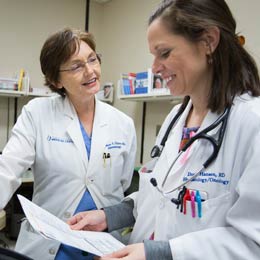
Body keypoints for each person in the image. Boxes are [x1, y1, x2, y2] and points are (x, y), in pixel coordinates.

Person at [68, 0, 260, 259]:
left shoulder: (251, 123)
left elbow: (252, 242)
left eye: (165, 53)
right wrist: (108, 216)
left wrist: (161, 253)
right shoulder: (176, 118)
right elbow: (158, 196)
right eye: (154, 56)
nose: (155, 67)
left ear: (209, 41)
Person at [0, 27, 136, 260]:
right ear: (56, 79)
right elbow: (8, 169)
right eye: (76, 66)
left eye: (92, 59)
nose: (90, 71)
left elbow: (122, 184)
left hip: (104, 248)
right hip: (48, 246)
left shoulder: (122, 124)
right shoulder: (37, 113)